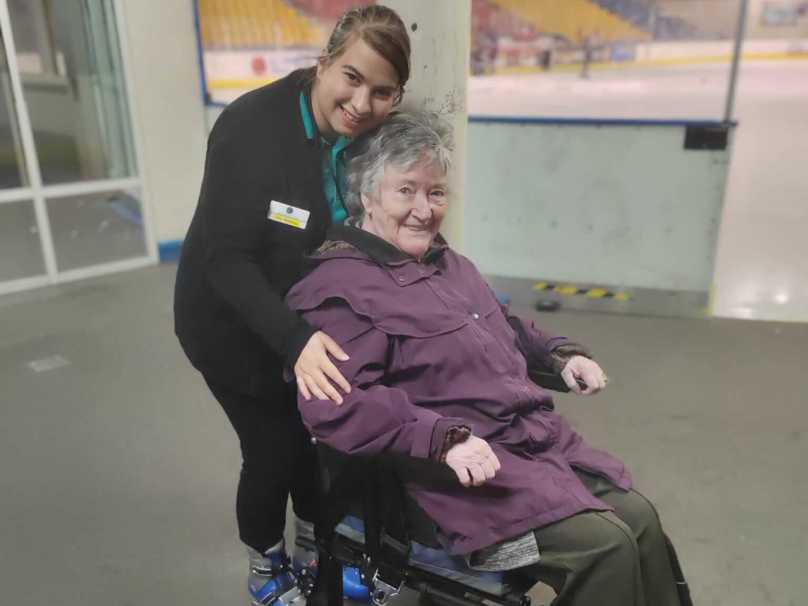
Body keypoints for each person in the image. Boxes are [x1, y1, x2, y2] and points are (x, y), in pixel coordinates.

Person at [285, 112, 688, 606]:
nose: (424, 209)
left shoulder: (446, 264)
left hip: (526, 447)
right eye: (405, 191)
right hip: (445, 481)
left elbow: (499, 327)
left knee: (640, 520)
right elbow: (336, 403)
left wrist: (558, 357)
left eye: (436, 193)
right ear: (367, 196)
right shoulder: (340, 289)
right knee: (605, 549)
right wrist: (440, 438)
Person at [173, 6, 411, 605]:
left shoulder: (375, 138)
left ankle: (315, 551)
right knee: (273, 450)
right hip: (229, 323)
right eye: (352, 78)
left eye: (382, 91)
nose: (362, 103)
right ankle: (266, 567)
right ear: (324, 62)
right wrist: (295, 339)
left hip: (305, 319)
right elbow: (225, 262)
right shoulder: (251, 127)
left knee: (319, 441)